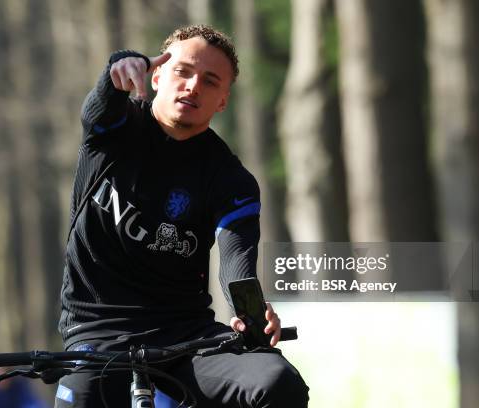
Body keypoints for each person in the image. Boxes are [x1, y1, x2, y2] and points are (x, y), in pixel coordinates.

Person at [55, 24, 309, 407]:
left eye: (210, 81)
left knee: (277, 382)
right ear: (156, 75)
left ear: (223, 100)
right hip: (96, 329)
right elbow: (99, 106)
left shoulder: (231, 178)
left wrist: (252, 314)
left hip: (186, 335)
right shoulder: (113, 130)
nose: (193, 86)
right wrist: (117, 70)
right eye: (183, 71)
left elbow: (236, 267)